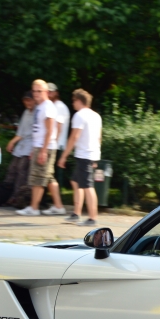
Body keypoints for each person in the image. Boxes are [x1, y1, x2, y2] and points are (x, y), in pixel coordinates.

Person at [18, 79, 66, 216]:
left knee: (38, 178)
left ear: (46, 92)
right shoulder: (40, 106)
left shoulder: (48, 107)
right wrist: (34, 148)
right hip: (40, 146)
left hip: (46, 147)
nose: (36, 94)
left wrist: (43, 150)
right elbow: (38, 130)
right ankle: (58, 206)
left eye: (39, 91)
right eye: (34, 91)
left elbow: (50, 130)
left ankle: (33, 208)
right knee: (49, 178)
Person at [58, 89, 102, 226]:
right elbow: (99, 137)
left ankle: (92, 218)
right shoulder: (96, 116)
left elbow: (74, 137)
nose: (73, 104)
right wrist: (95, 157)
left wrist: (63, 156)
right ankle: (76, 214)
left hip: (84, 155)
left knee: (88, 186)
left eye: (73, 101)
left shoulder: (79, 115)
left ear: (79, 101)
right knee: (75, 182)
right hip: (90, 154)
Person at [2, 91, 36, 208]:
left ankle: (17, 197)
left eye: (29, 100)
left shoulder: (38, 113)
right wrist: (12, 142)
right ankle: (7, 195)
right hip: (21, 146)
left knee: (22, 171)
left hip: (31, 146)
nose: (27, 103)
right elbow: (20, 132)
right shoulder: (26, 113)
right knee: (12, 169)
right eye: (25, 101)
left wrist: (35, 149)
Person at [47, 83, 70, 187]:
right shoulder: (52, 106)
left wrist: (52, 143)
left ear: (57, 93)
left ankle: (56, 201)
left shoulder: (59, 107)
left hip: (57, 146)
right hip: (55, 145)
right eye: (47, 91)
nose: (49, 94)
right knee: (51, 175)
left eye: (51, 91)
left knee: (53, 176)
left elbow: (58, 128)